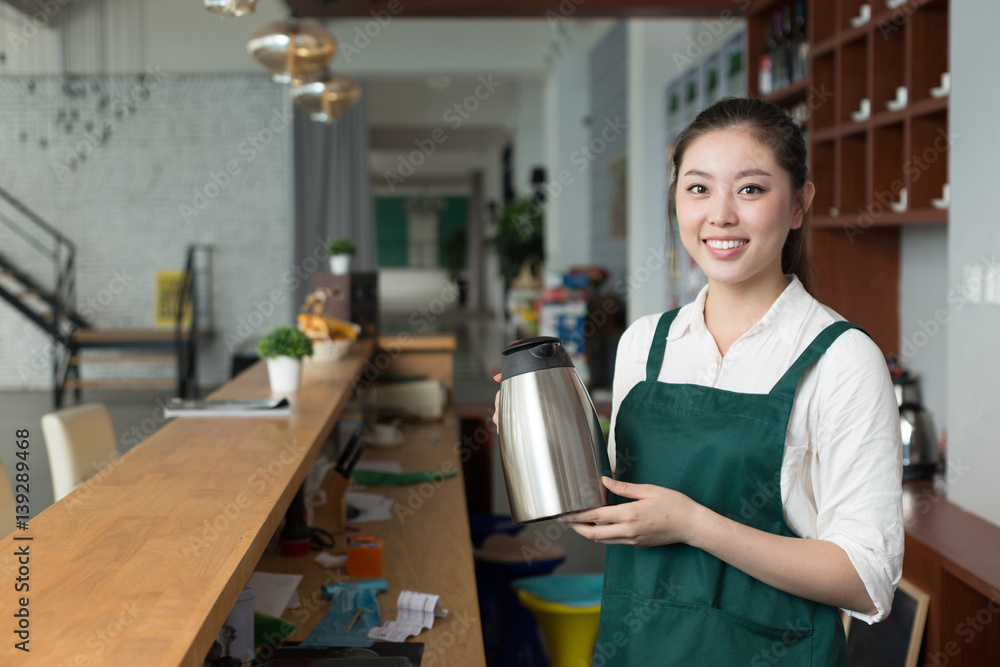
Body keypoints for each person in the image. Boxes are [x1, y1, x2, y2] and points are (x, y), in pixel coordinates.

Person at [494, 97, 903, 666]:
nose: (721, 215)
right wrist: (538, 436)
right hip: (637, 649)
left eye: (752, 189)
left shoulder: (842, 359)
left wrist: (694, 524)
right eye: (698, 188)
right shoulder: (646, 343)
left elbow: (866, 580)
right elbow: (617, 510)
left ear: (798, 205)